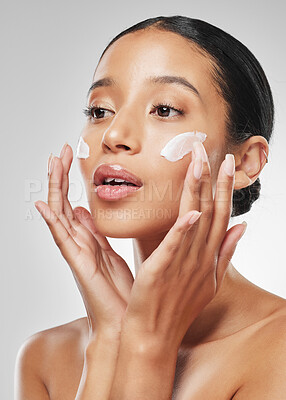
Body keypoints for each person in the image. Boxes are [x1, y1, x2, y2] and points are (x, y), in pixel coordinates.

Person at [15, 15, 286, 399]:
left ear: (244, 163)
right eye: (99, 111)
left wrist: (146, 348)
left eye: (164, 109)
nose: (114, 136)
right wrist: (111, 338)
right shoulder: (44, 358)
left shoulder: (279, 350)